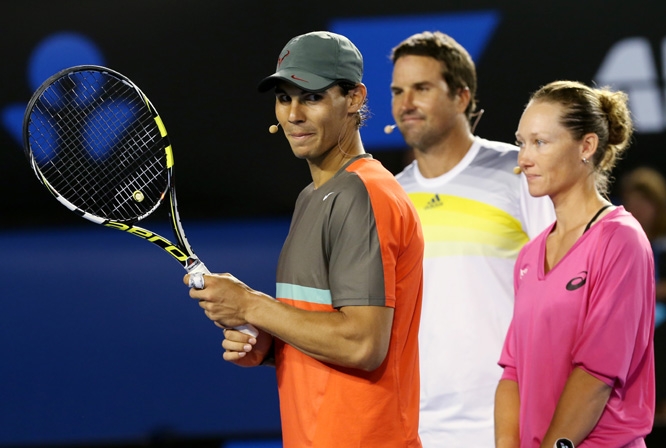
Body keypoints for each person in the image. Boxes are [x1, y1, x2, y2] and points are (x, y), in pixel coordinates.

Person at [185, 31, 424, 448]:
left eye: (311, 97)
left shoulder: (362, 193)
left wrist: (251, 304)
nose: (292, 114)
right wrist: (268, 342)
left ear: (354, 98)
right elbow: (325, 330)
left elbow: (362, 343)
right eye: (283, 97)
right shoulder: (314, 196)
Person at [389, 31, 555, 447]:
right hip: (418, 426)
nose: (405, 103)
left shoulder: (519, 173)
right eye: (398, 90)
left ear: (462, 97)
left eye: (421, 88)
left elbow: (567, 290)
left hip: (512, 421)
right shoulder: (390, 195)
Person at [495, 80, 655, 447]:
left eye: (540, 142)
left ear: (586, 146)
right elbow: (513, 373)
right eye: (522, 142)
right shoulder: (529, 255)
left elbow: (596, 375)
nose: (524, 158)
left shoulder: (621, 240)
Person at [619, 166, 666, 423]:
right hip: (631, 326)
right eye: (633, 203)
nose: (639, 210)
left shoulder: (662, 244)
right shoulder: (621, 242)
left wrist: (655, 290)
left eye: (645, 203)